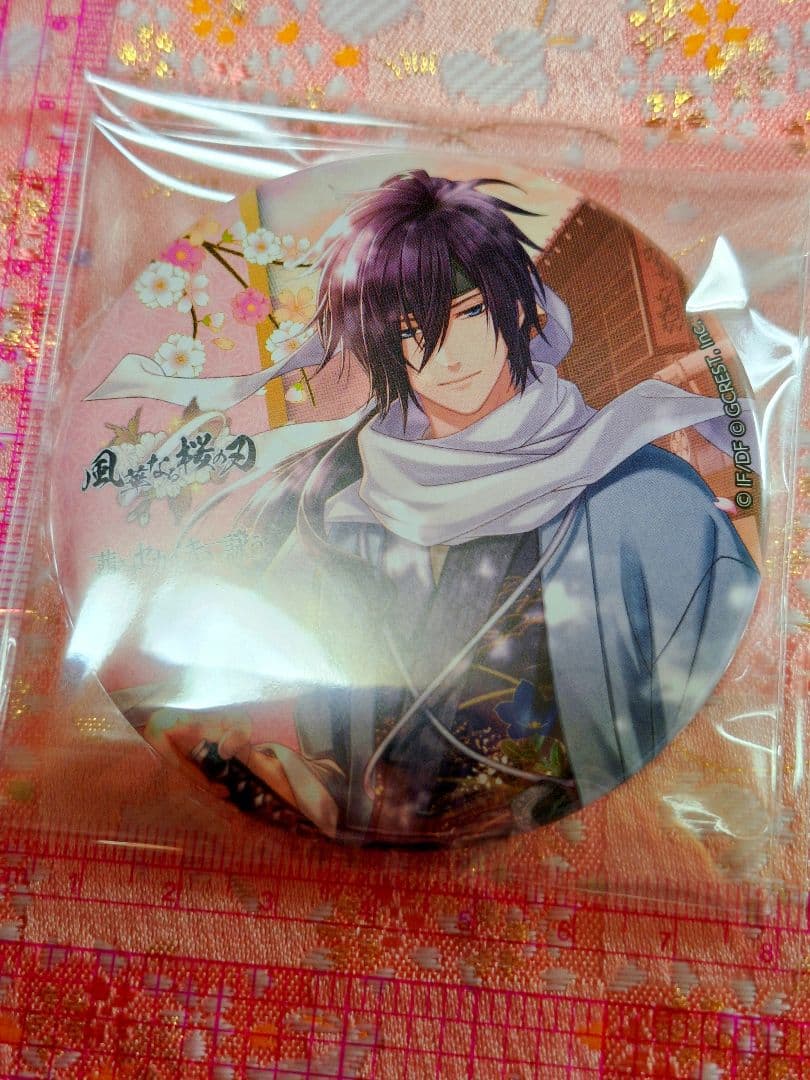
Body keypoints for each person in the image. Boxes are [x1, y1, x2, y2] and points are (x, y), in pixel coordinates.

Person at [98, 171, 761, 846]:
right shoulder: (340, 505)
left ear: (523, 311)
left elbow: (709, 726)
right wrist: (306, 778)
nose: (447, 355)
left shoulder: (650, 500)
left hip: (588, 846)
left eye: (470, 314)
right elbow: (329, 716)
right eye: (411, 330)